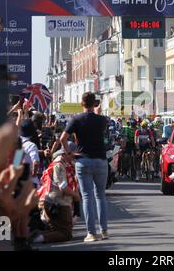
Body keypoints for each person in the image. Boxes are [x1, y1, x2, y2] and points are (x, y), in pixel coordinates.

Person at [60, 92, 109, 242]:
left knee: (87, 196)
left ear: (82, 103)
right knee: (100, 196)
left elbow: (63, 138)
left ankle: (91, 233)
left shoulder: (76, 119)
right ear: (94, 104)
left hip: (83, 160)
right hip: (100, 160)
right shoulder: (103, 120)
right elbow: (102, 130)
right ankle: (104, 231)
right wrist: (98, 112)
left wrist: (69, 153)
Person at [33, 149, 79, 244]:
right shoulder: (59, 164)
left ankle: (23, 239)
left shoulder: (17, 150)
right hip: (57, 202)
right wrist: (75, 195)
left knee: (16, 223)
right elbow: (62, 186)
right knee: (66, 234)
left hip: (12, 190)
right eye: (71, 154)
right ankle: (34, 238)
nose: (73, 157)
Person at [20, 119, 41, 187]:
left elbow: (16, 163)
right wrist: (34, 174)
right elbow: (36, 162)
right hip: (31, 182)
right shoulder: (31, 145)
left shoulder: (18, 144)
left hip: (19, 181)